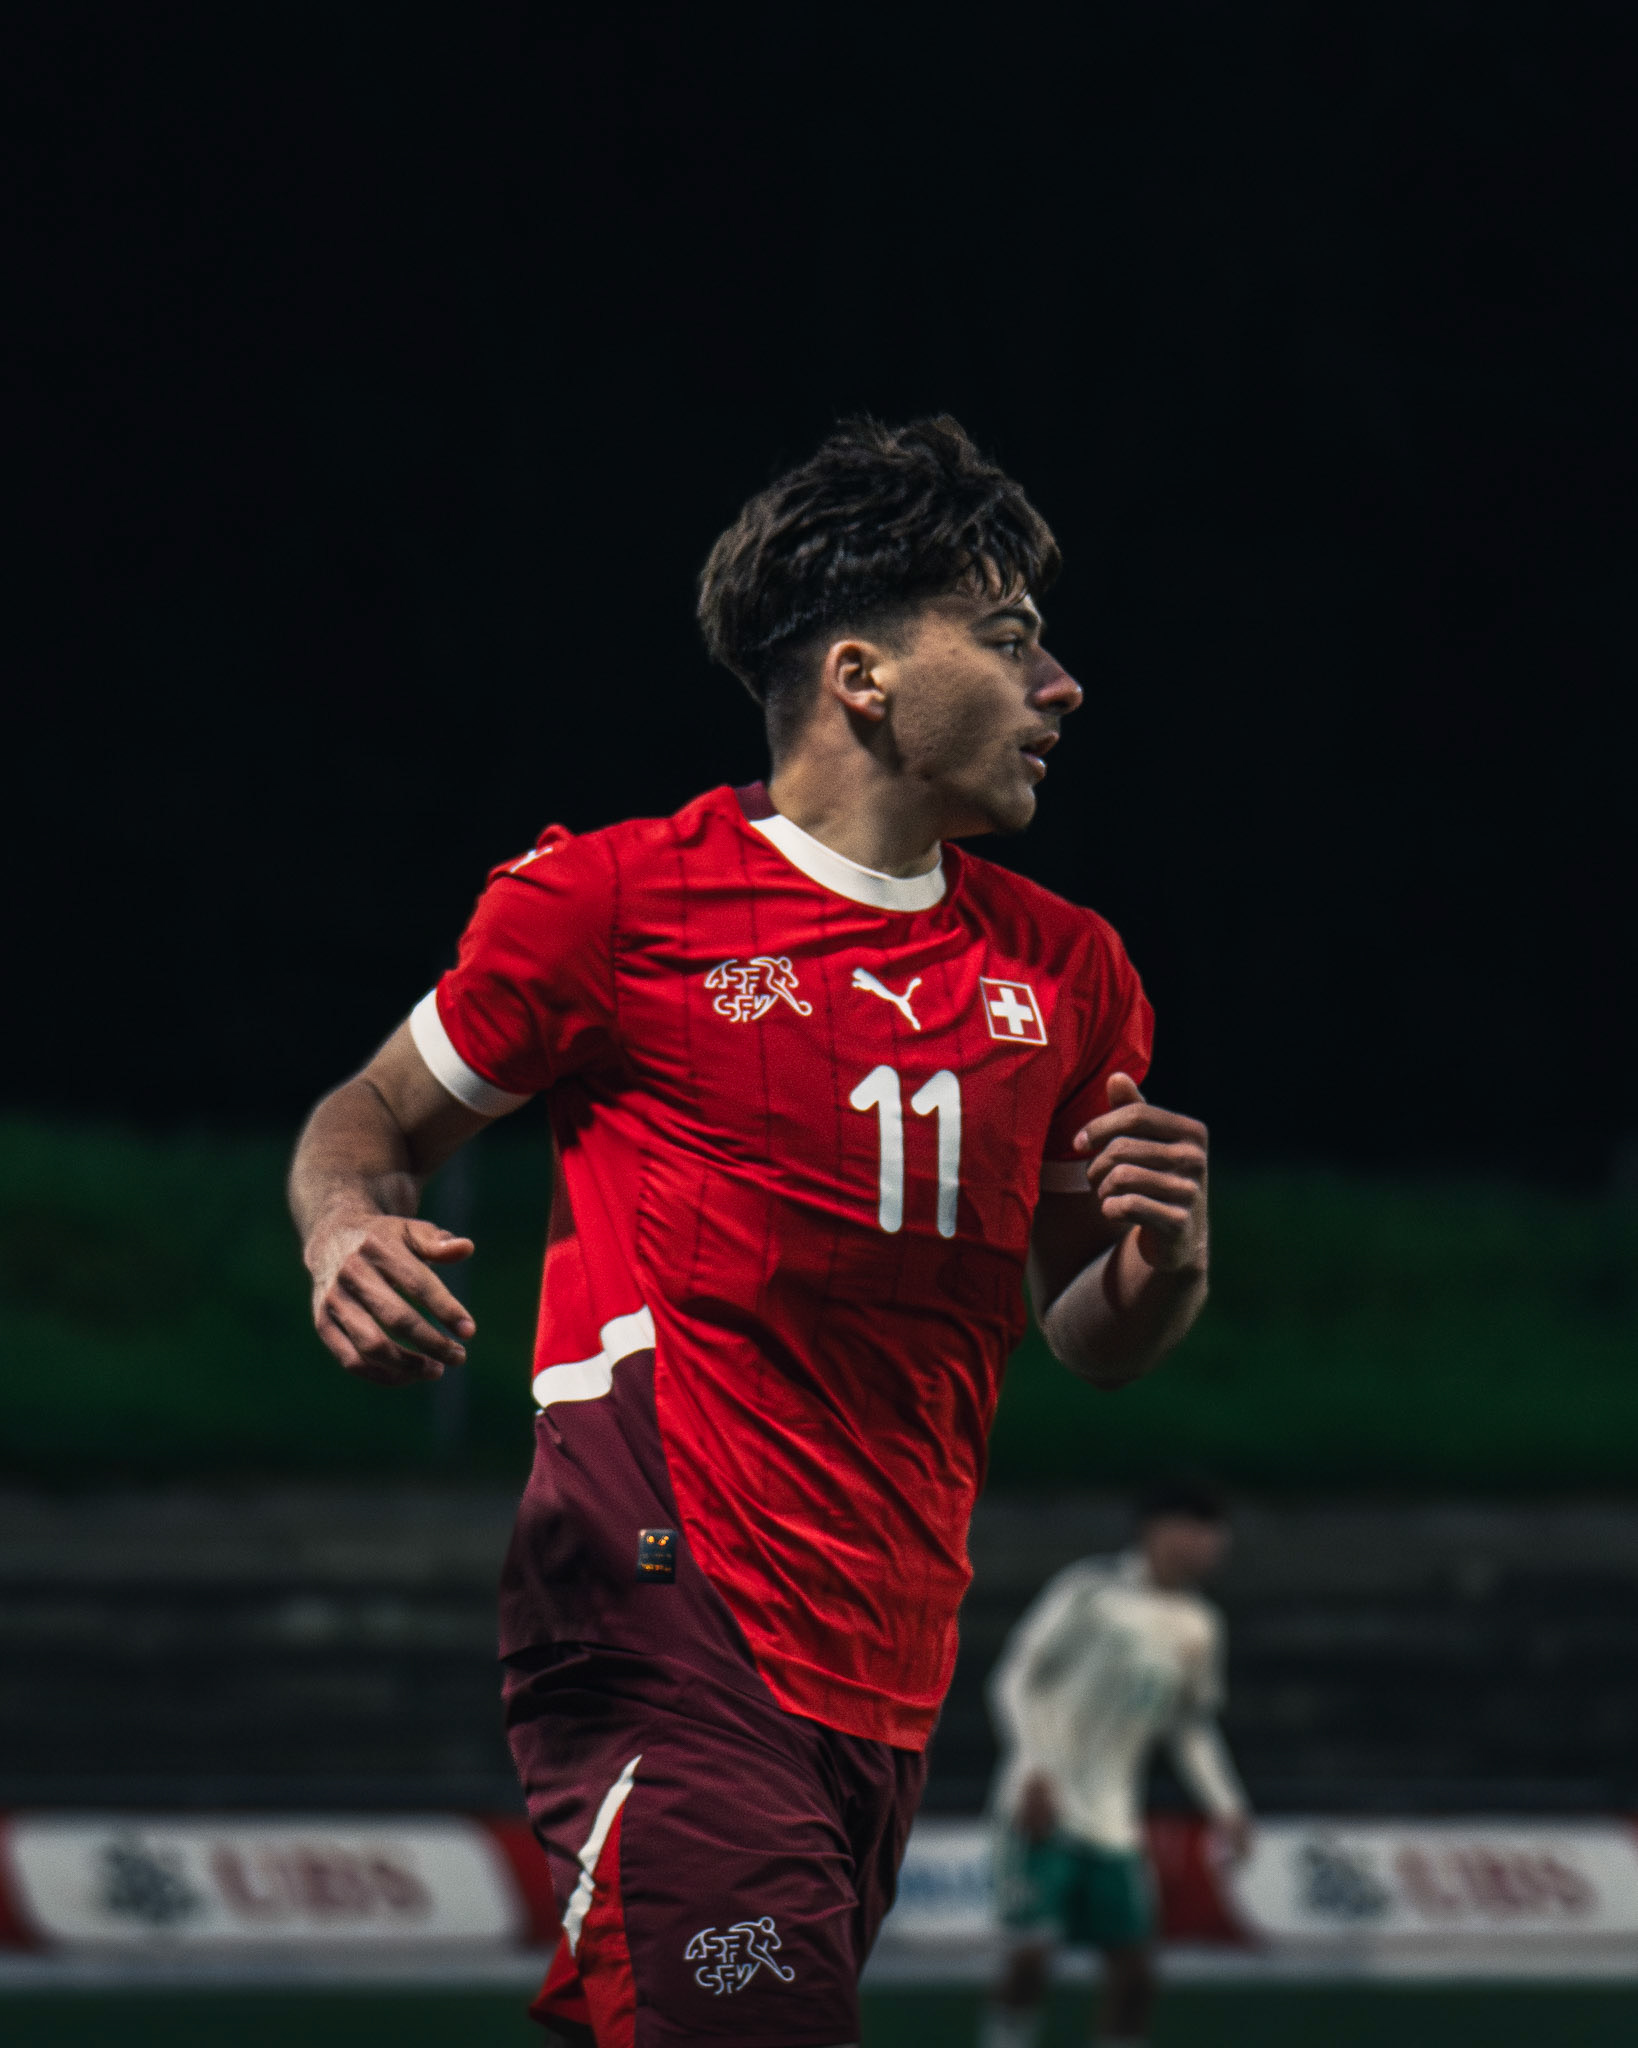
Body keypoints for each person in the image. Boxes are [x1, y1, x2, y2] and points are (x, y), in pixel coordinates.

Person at [287, 417, 1211, 2048]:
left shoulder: (1070, 973)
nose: (1060, 685)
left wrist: (1160, 1266)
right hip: (658, 1620)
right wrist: (347, 1227)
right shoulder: (611, 903)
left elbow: (1091, 1333)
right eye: (1009, 641)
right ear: (863, 678)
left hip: (883, 1670)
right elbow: (368, 1114)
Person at [981, 1483, 1250, 2048]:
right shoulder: (1090, 1592)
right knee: (1030, 1958)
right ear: (1156, 1530)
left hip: (1113, 1820)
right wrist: (1032, 1769)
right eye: (1196, 1529)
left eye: (1214, 1533)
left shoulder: (1200, 1625)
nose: (1208, 1544)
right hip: (1043, 1805)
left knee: (1136, 1973)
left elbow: (1190, 1725)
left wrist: (1227, 1806)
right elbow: (1015, 1678)